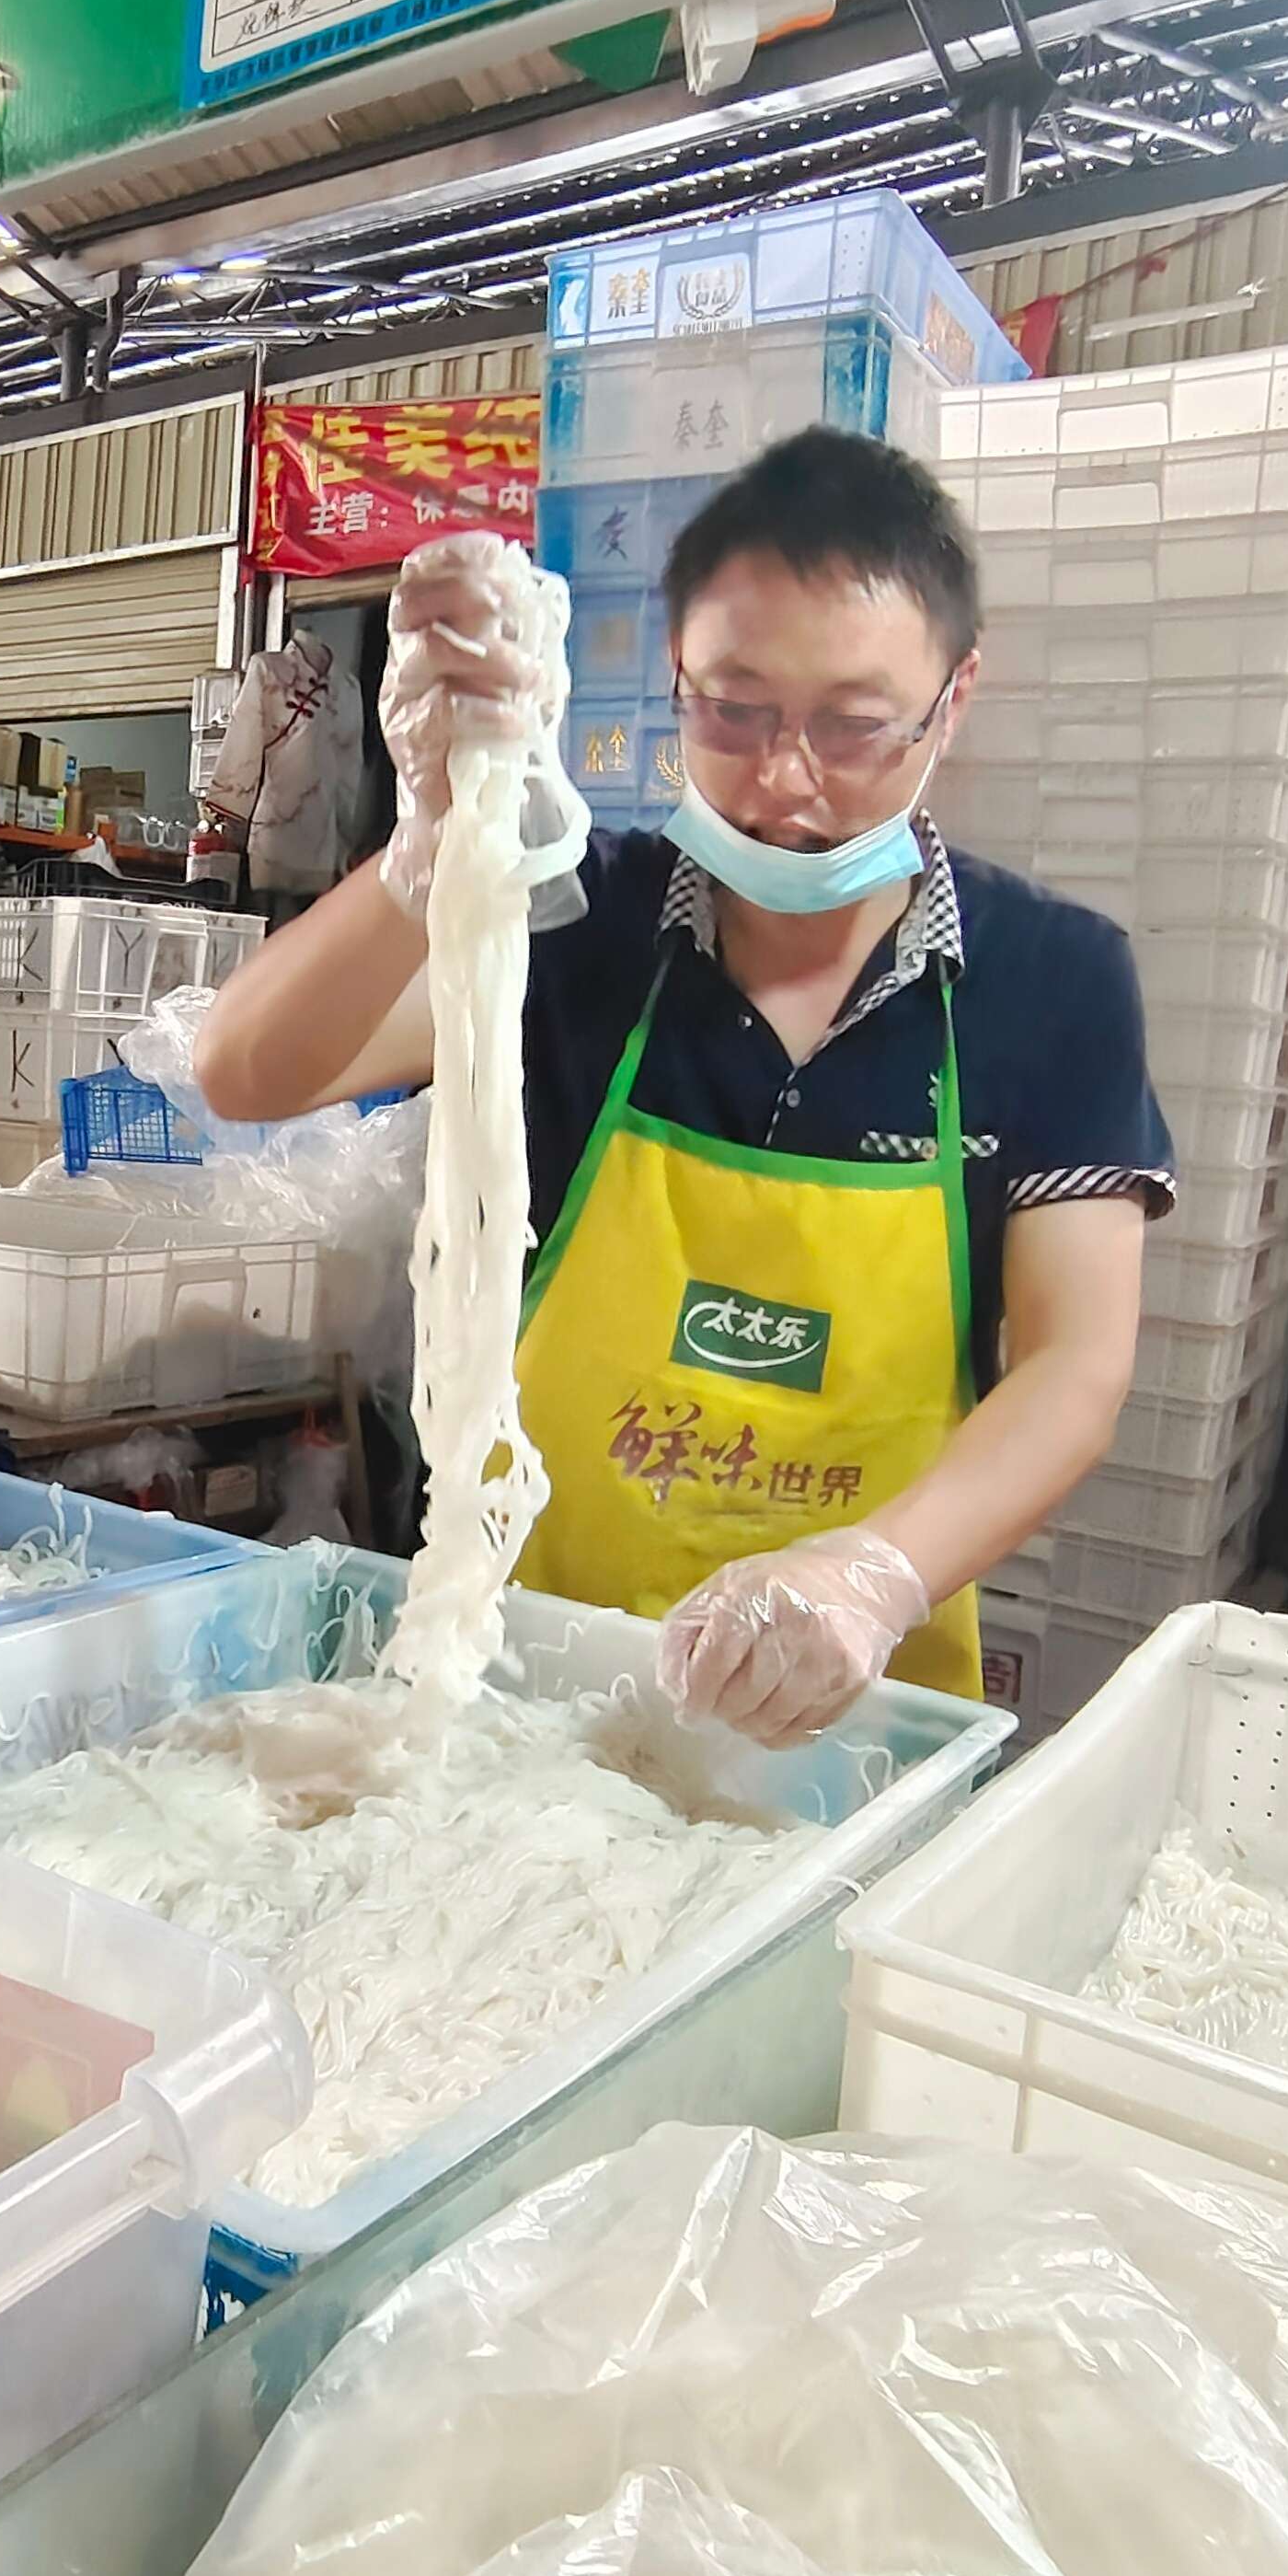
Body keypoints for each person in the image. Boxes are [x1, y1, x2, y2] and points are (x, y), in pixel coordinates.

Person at [195, 431, 1172, 1744]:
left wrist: (866, 1578)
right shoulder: (576, 922)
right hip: (530, 1694)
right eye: (736, 709)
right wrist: (432, 845)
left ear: (956, 696)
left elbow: (1073, 1365)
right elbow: (248, 1070)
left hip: (846, 1723)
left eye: (854, 725)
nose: (785, 780)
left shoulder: (1054, 980)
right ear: (674, 684)